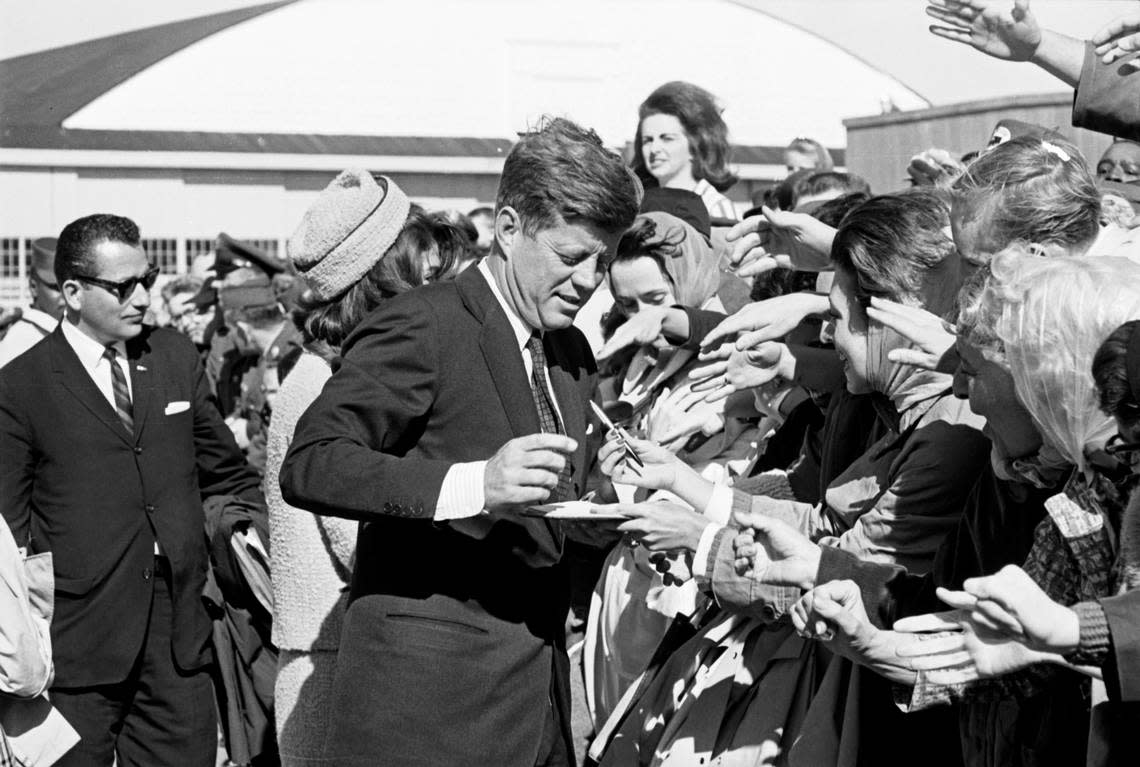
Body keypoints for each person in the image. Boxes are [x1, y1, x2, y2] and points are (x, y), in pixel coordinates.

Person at [278, 117, 640, 766]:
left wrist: (613, 495)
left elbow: (555, 514)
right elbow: (311, 463)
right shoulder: (424, 323)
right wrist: (475, 484)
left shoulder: (573, 352)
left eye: (604, 262)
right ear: (507, 228)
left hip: (537, 708)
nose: (591, 281)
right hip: (425, 714)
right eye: (570, 256)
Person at [0, 214, 262, 766]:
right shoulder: (21, 385)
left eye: (149, 278)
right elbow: (7, 524)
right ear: (71, 292)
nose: (143, 297)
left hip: (179, 634)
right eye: (123, 287)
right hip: (74, 642)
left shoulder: (171, 357)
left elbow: (226, 471)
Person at [267, 170, 465, 766]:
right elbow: (359, 538)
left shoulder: (336, 366)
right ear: (387, 272)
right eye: (423, 264)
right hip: (331, 667)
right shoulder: (329, 384)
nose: (435, 279)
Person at [631, 81, 738, 221]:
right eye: (648, 140)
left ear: (696, 145)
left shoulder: (717, 209)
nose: (654, 149)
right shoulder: (637, 207)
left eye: (667, 139)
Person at [0, 238, 63, 369]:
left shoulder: (64, 331)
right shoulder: (21, 340)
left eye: (71, 288)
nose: (66, 297)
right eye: (56, 288)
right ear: (33, 287)